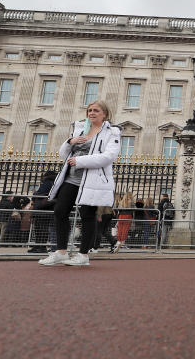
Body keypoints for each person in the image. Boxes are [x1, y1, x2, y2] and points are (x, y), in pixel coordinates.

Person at [38, 100, 121, 267]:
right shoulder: (80, 128)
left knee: (87, 216)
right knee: (60, 211)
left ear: (104, 114)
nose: (91, 113)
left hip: (92, 180)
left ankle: (83, 255)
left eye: (96, 110)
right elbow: (63, 155)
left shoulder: (112, 132)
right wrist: (70, 142)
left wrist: (81, 161)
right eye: (89, 110)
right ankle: (61, 252)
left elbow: (108, 157)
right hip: (71, 177)